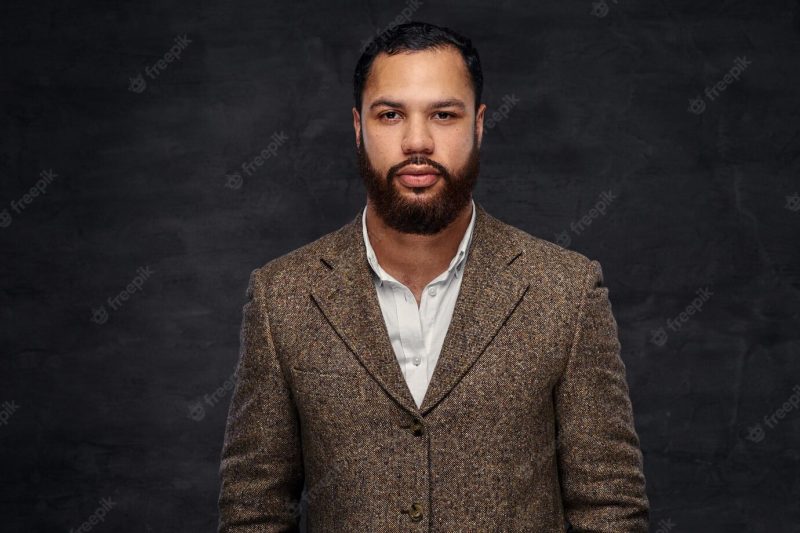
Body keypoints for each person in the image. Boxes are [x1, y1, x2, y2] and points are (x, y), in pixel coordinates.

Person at [218, 20, 649, 532]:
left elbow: (610, 509)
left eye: (443, 114)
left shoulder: (566, 291)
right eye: (391, 114)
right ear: (358, 127)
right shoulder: (282, 296)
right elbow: (254, 511)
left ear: (479, 124)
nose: (416, 141)